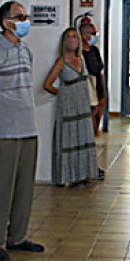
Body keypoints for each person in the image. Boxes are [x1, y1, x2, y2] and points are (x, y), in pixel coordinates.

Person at [0, 0, 46, 261]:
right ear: (5, 22)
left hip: (27, 127)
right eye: (19, 17)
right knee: (2, 188)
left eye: (25, 16)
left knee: (24, 187)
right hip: (2, 130)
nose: (25, 21)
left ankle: (17, 237)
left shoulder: (26, 50)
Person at [43, 27, 100, 187]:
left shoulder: (81, 59)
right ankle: (68, 176)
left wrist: (93, 103)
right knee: (69, 140)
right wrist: (62, 93)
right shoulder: (61, 62)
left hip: (83, 106)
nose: (71, 40)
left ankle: (84, 174)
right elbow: (47, 85)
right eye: (68, 37)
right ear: (64, 41)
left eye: (74, 37)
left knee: (84, 138)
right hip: (68, 108)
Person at [78, 17, 107, 138]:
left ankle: (95, 133)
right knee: (91, 118)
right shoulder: (79, 53)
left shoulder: (95, 50)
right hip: (88, 88)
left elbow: (100, 71)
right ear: (84, 35)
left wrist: (104, 91)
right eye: (92, 34)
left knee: (98, 113)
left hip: (98, 85)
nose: (95, 36)